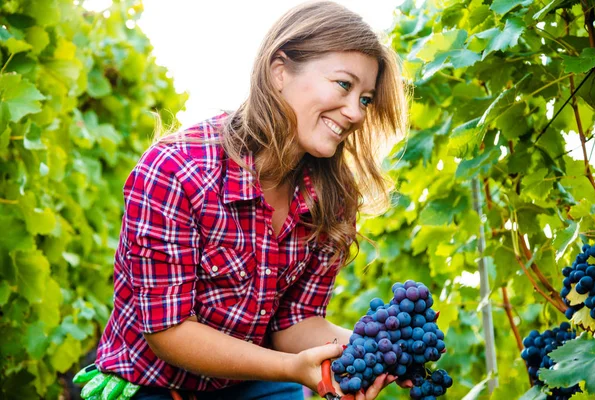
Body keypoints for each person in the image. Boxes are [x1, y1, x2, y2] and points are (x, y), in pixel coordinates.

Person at [76, 1, 409, 399]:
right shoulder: (175, 171)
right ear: (280, 71)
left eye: (366, 99)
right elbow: (168, 331)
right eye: (344, 85)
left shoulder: (331, 199)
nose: (356, 112)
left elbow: (295, 322)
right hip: (149, 385)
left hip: (249, 383)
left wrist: (372, 351)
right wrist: (291, 369)